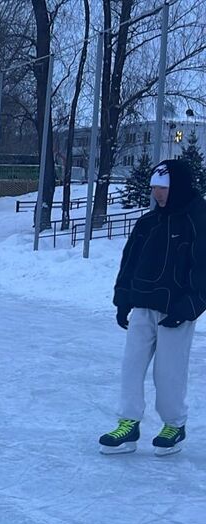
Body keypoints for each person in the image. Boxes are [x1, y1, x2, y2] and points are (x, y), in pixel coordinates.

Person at [100, 159, 206, 456]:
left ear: (177, 188)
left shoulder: (197, 219)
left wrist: (189, 307)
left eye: (162, 188)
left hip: (176, 311)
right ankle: (128, 423)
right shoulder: (148, 222)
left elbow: (204, 268)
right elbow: (130, 263)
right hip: (143, 306)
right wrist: (123, 299)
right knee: (131, 366)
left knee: (168, 372)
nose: (157, 194)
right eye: (154, 188)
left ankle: (174, 424)